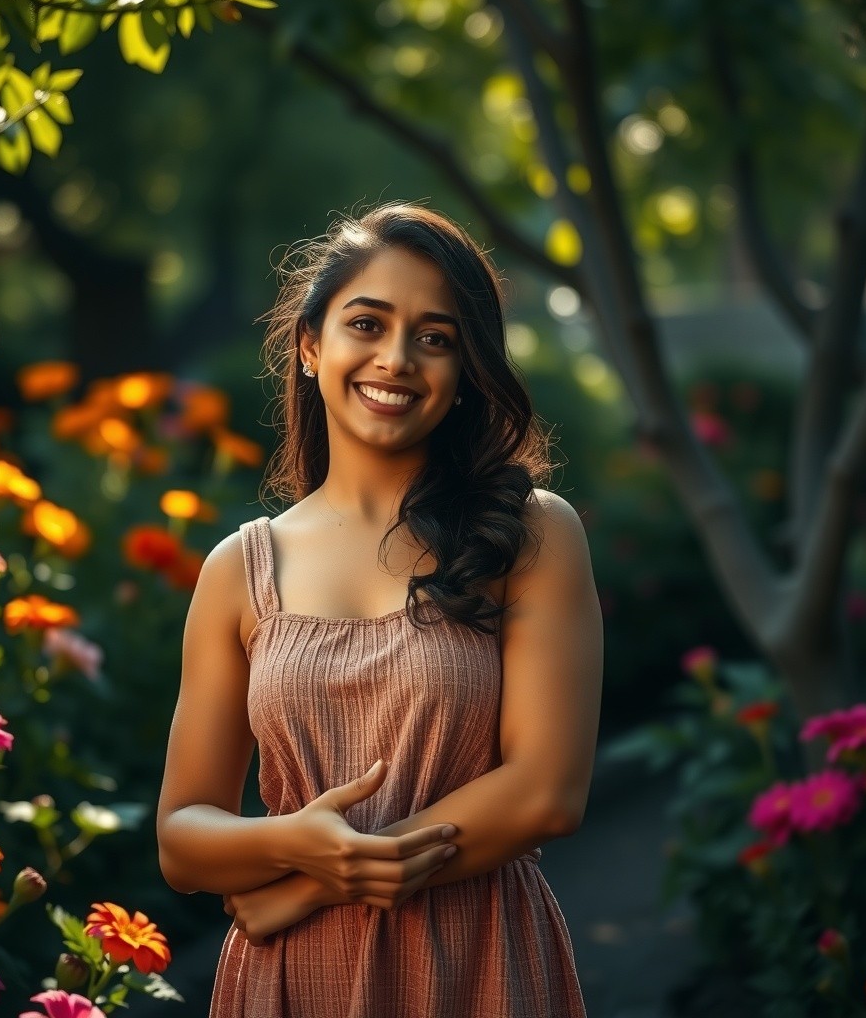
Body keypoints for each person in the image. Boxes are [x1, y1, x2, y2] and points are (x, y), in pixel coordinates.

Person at [156, 201, 604, 1017]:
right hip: (288, 983)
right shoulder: (241, 569)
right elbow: (184, 836)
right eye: (368, 323)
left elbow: (547, 792)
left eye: (435, 338)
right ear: (310, 345)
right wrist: (296, 845)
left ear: (467, 371)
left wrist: (309, 889)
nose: (396, 359)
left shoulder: (532, 533)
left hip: (476, 965)